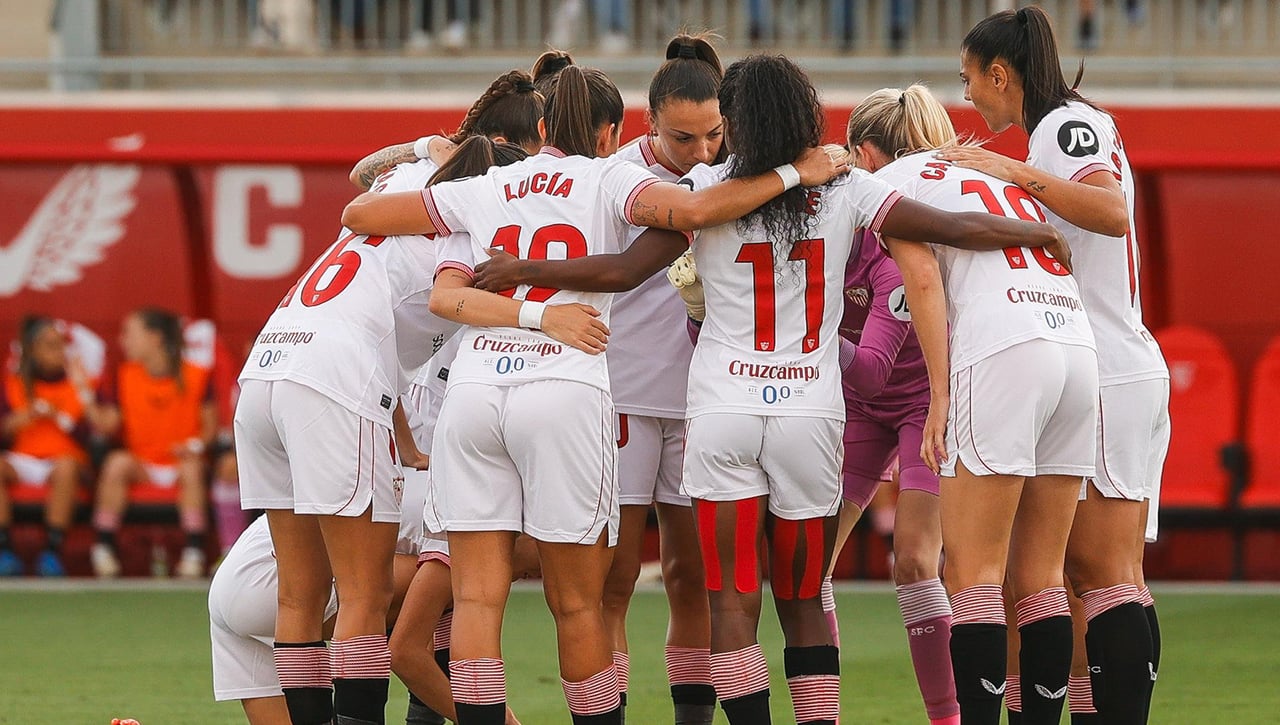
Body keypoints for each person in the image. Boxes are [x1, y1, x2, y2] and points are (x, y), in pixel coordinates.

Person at [465, 55, 1067, 725]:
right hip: (808, 414)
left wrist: (524, 268)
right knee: (804, 600)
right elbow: (950, 228)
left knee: (730, 600)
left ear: (734, 122)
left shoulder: (706, 186)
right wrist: (1036, 231)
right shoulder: (845, 185)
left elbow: (623, 271)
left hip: (723, 410)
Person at [340, 61, 851, 725]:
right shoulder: (612, 177)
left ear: (542, 125)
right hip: (564, 385)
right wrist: (794, 173)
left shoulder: (488, 185)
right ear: (612, 133)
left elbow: (359, 212)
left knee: (476, 600)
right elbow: (695, 210)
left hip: (476, 387)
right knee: (579, 603)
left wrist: (438, 162)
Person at [234, 130, 547, 725]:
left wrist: (425, 146)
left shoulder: (395, 194)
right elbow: (440, 309)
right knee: (364, 594)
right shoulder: (470, 228)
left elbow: (364, 176)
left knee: (299, 594)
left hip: (268, 367)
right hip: (334, 379)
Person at [937, 6, 1169, 722]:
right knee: (1086, 577)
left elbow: (1109, 209)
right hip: (1108, 361)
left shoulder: (1068, 126)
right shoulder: (1058, 129)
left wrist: (1010, 170)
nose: (967, 96)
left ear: (998, 74)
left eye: (969, 79)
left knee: (1103, 576)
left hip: (1105, 364)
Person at [868, 81, 1097, 725]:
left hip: (1002, 351)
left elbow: (922, 282)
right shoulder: (984, 169)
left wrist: (939, 395)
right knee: (1042, 576)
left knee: (973, 575)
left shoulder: (890, 183)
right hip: (1075, 347)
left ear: (866, 151)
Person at [802, 84, 968, 725]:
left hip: (925, 406)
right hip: (861, 412)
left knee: (917, 560)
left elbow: (871, 371)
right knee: (809, 567)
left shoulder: (898, 253)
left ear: (865, 157)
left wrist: (805, 329)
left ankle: (948, 718)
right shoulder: (829, 223)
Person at [91, 308, 218, 579]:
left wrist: (194, 446)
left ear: (155, 337)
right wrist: (82, 392)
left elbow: (210, 428)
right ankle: (104, 547)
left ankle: (194, 552)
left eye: (130, 333)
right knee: (116, 463)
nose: (123, 341)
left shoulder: (197, 374)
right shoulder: (124, 375)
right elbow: (108, 424)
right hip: (143, 466)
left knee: (191, 468)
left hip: (183, 463)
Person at [0, 316, 102, 576]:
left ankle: (52, 551)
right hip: (23, 459)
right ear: (32, 350)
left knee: (66, 467)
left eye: (61, 345)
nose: (59, 352)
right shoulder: (14, 383)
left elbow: (93, 434)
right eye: (50, 346)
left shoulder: (80, 382)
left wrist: (59, 416)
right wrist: (24, 417)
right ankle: (4, 549)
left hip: (63, 459)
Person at [349, 68, 546, 191]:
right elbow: (358, 178)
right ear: (500, 144)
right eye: (534, 156)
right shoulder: (467, 190)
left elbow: (360, 176)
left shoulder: (415, 167)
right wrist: (429, 144)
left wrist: (427, 145)